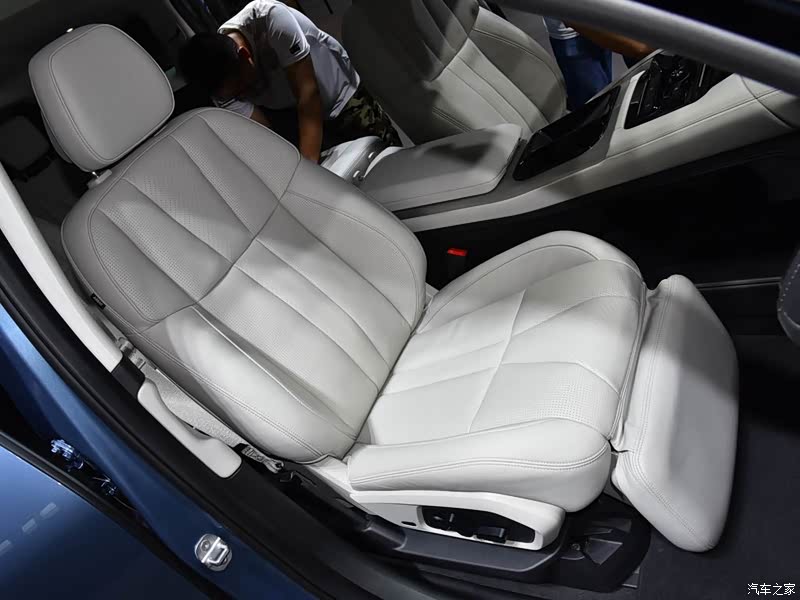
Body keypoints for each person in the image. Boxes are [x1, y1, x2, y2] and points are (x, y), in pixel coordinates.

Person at [179, 0, 399, 163]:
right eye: (236, 95)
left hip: (339, 95)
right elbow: (265, 134)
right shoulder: (221, 86)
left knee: (389, 156)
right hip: (291, 113)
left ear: (245, 56)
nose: (244, 95)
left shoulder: (270, 19)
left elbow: (308, 94)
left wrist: (309, 166)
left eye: (243, 87)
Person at [544, 18, 654, 110]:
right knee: (594, 104)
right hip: (573, 32)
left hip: (607, 15)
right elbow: (571, 16)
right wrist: (641, 49)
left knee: (608, 90)